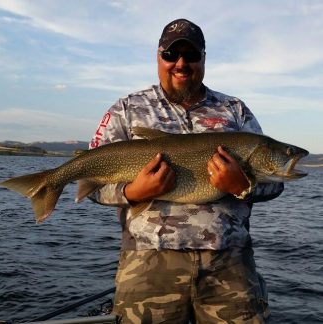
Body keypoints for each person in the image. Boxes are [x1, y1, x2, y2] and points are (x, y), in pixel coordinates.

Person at [89, 18, 283, 324]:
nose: (181, 64)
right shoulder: (126, 110)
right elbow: (91, 181)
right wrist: (132, 192)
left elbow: (275, 182)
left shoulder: (236, 111)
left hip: (229, 264)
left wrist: (242, 186)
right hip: (148, 263)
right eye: (171, 55)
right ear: (158, 57)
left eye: (191, 56)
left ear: (203, 59)